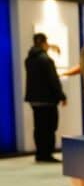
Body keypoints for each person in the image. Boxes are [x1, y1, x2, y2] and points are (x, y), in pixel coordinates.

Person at [23, 33, 66, 162]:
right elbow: (53, 80)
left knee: (39, 127)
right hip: (47, 100)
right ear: (44, 43)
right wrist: (61, 96)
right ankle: (47, 154)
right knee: (49, 127)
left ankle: (40, 153)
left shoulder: (29, 59)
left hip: (34, 99)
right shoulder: (46, 59)